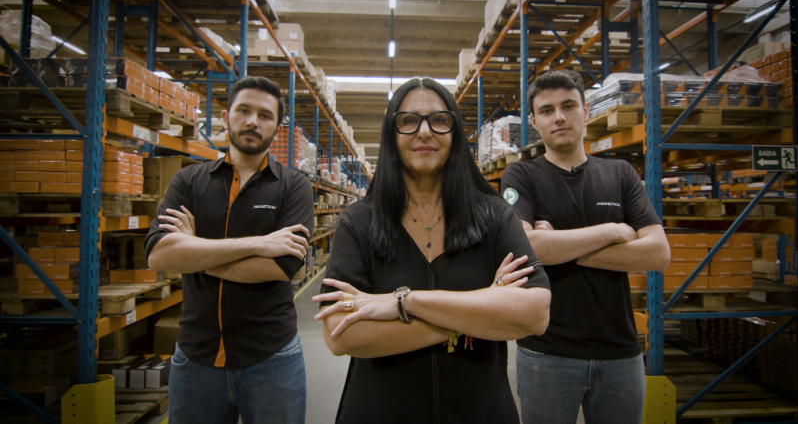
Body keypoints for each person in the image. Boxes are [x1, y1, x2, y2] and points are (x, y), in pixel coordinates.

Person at [312, 77, 551, 424]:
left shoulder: (494, 216)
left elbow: (534, 313)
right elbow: (340, 333)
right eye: (409, 120)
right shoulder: (359, 223)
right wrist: (480, 310)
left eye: (438, 120)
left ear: (454, 134)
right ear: (391, 137)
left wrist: (404, 302)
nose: (424, 132)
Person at [501, 70, 671, 424]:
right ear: (533, 121)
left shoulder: (621, 173)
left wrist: (558, 243)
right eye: (547, 111)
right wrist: (612, 230)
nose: (559, 117)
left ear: (586, 110)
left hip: (620, 353)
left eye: (568, 106)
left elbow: (657, 253)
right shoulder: (522, 176)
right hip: (548, 352)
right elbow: (527, 247)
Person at [145, 76, 314, 424]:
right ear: (226, 116)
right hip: (196, 359)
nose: (253, 121)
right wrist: (259, 244)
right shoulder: (188, 181)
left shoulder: (294, 187)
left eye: (265, 115)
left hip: (272, 359)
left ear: (277, 129)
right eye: (244, 111)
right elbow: (160, 255)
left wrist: (194, 252)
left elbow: (281, 267)